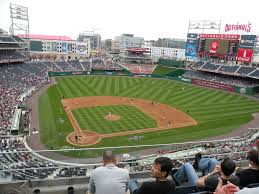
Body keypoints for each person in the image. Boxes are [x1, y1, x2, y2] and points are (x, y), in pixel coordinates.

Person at [173, 157, 239, 192]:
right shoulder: (236, 179)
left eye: (220, 163)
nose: (219, 163)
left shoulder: (212, 179)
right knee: (213, 161)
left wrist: (212, 173)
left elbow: (197, 182)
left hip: (198, 188)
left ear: (221, 168)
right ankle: (198, 162)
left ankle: (177, 180)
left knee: (187, 165)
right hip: (214, 182)